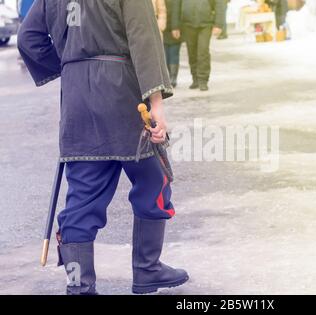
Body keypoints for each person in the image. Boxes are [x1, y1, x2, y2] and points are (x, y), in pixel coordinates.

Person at [17, 0, 189, 295]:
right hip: (124, 96)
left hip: (77, 101)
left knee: (81, 201)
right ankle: (147, 269)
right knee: (153, 180)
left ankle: (78, 285)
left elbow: (27, 39)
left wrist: (74, 64)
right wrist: (157, 105)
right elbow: (143, 39)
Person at [172, 0, 227, 91]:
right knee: (191, 52)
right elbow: (176, 5)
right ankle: (195, 79)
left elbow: (220, 3)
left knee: (203, 51)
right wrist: (175, 26)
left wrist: (219, 24)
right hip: (187, 23)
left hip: (206, 23)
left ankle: (203, 80)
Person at [164, 0, 182, 87]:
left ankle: (173, 78)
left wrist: (176, 26)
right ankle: (169, 77)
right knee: (165, 55)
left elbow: (178, 10)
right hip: (162, 27)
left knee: (173, 54)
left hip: (175, 28)